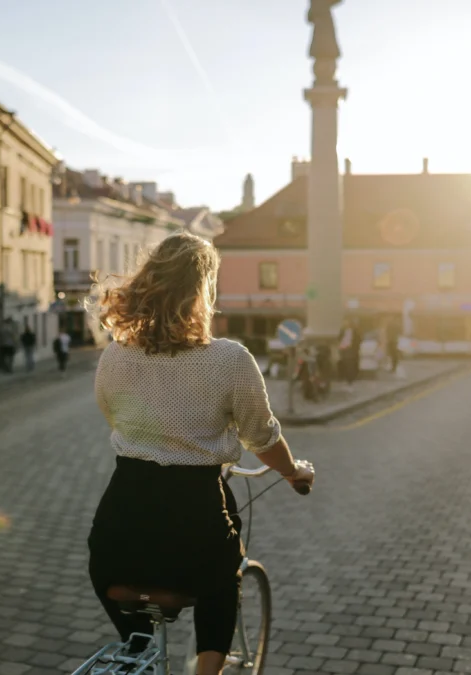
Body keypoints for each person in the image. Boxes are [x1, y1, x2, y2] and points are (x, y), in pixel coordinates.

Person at [86, 232, 315, 675]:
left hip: (118, 528)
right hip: (195, 523)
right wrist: (293, 473)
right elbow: (262, 438)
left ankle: (137, 646)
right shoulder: (229, 359)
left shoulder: (115, 355)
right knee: (220, 585)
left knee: (112, 577)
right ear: (203, 290)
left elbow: (115, 417)